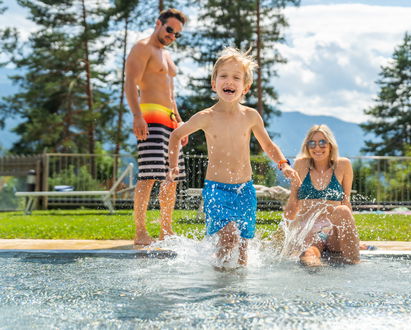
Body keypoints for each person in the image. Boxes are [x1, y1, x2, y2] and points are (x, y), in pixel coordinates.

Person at [166, 47, 301, 267]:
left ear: (245, 87)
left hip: (245, 190)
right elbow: (175, 135)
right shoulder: (206, 117)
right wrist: (173, 166)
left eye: (236, 77)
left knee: (243, 248)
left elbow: (267, 144)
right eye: (224, 76)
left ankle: (238, 292)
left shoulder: (250, 116)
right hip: (216, 190)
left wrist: (283, 164)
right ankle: (220, 285)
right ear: (214, 83)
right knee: (228, 237)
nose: (230, 81)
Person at [125, 8, 189, 245]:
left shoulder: (166, 56)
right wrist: (136, 115)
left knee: (170, 179)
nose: (172, 35)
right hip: (150, 118)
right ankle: (140, 231)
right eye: (169, 29)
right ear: (158, 23)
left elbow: (170, 94)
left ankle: (166, 230)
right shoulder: (143, 48)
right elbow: (130, 83)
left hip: (170, 122)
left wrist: (180, 122)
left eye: (177, 34)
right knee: (148, 177)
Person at [283, 124, 360, 266]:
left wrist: (351, 236)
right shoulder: (301, 164)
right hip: (310, 230)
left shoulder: (343, 165)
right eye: (312, 143)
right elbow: (293, 200)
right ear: (307, 146)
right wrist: (287, 237)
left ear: (331, 145)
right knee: (308, 256)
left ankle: (355, 266)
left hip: (333, 231)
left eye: (322, 142)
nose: (317, 147)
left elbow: (346, 202)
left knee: (343, 211)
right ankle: (318, 279)